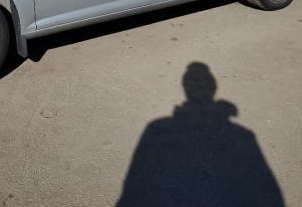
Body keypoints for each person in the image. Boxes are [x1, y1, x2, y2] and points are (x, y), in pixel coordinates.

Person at [118, 62, 284, 206]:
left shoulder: (158, 128)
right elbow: (267, 190)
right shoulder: (243, 136)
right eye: (194, 81)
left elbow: (135, 183)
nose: (198, 86)